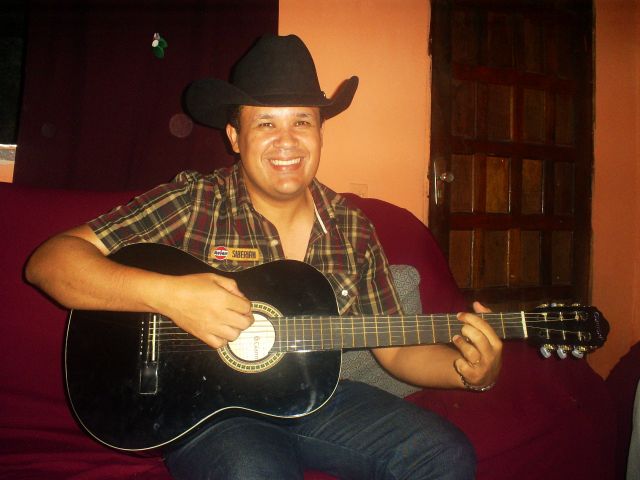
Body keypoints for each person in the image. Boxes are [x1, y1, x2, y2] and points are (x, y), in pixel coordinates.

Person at [26, 34, 502, 479]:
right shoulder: (195, 202)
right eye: (266, 123)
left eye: (302, 122)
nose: (287, 141)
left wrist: (467, 371)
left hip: (319, 400)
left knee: (447, 455)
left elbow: (396, 349)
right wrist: (171, 296)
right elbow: (49, 262)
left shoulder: (352, 227)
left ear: (320, 132)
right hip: (211, 414)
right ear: (235, 136)